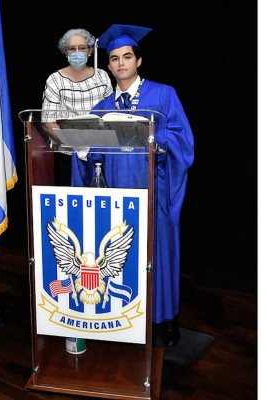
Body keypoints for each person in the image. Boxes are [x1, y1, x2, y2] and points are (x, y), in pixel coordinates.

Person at [70, 24, 195, 347]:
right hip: (118, 196)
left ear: (139, 61)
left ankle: (165, 320)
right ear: (108, 65)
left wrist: (150, 133)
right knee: (125, 258)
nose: (121, 63)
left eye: (127, 56)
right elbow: (92, 152)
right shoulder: (103, 106)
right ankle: (130, 319)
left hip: (155, 190)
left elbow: (184, 141)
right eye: (114, 58)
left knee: (159, 254)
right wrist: (80, 148)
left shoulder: (162, 94)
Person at [41, 27, 113, 184]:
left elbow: (112, 114)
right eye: (72, 49)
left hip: (99, 153)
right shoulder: (54, 80)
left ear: (90, 51)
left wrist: (91, 147)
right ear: (65, 52)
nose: (77, 52)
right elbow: (48, 123)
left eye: (82, 48)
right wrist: (76, 144)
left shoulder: (102, 76)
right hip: (66, 156)